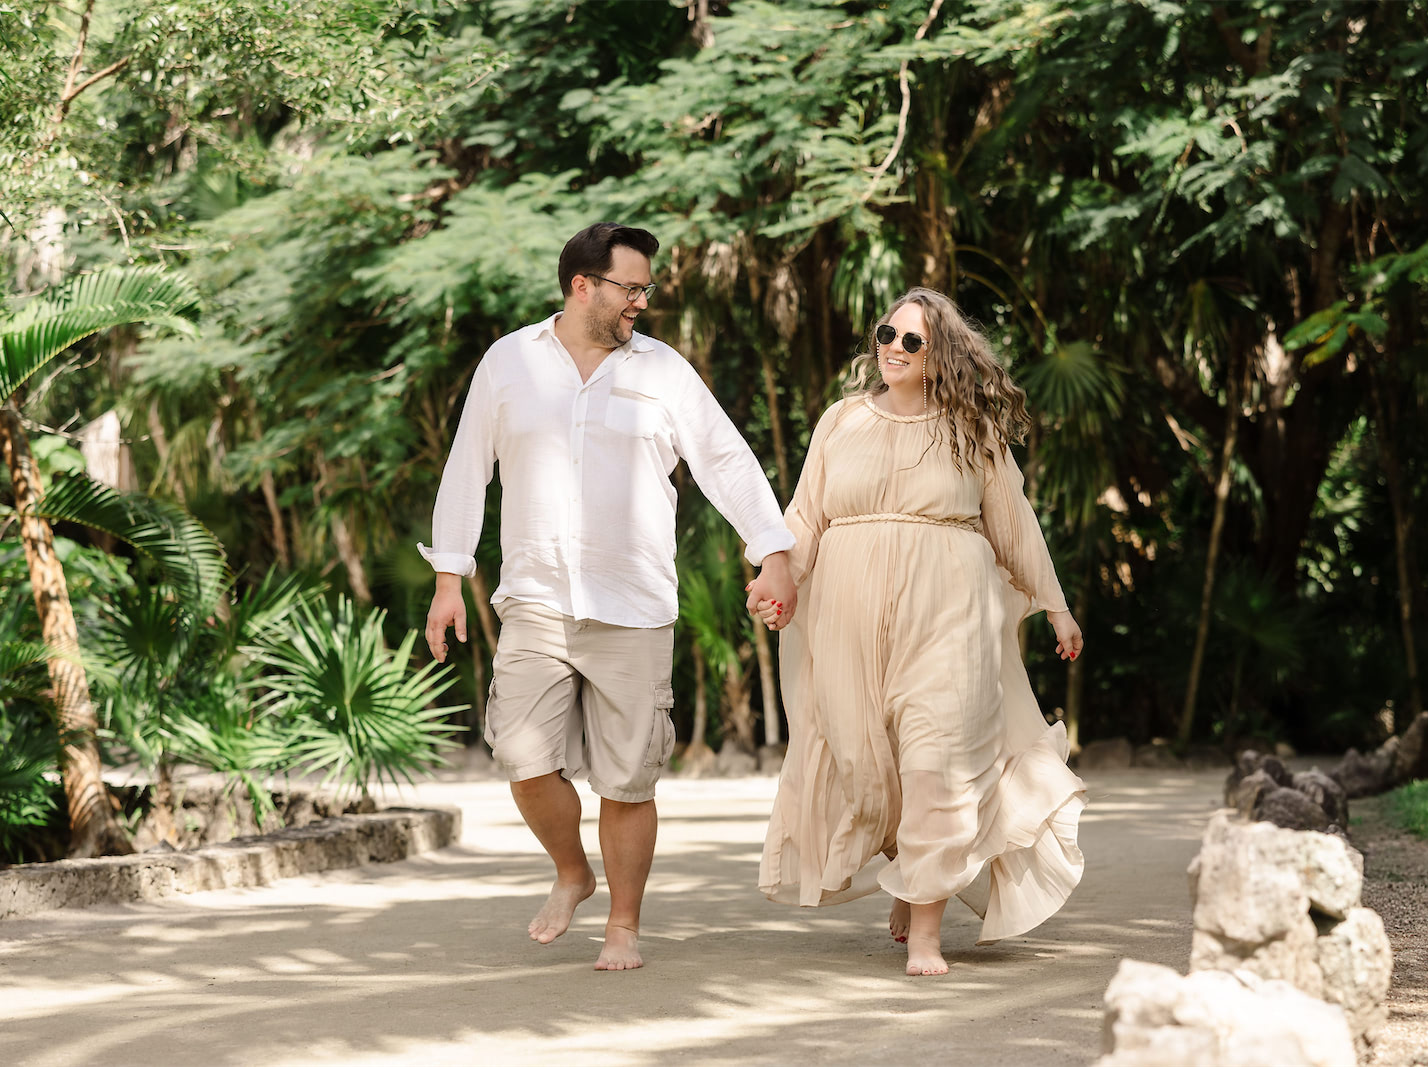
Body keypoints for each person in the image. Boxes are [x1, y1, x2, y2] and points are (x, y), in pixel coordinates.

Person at [421, 222, 797, 971]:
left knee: (627, 779)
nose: (642, 302)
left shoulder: (662, 371)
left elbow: (725, 459)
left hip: (634, 603)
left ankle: (623, 923)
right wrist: (448, 580)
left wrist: (774, 554)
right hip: (535, 596)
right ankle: (572, 871)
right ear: (581, 285)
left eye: (646, 289)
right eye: (631, 287)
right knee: (521, 756)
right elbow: (467, 468)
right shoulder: (509, 364)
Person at [752, 286, 1086, 976]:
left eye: (912, 341)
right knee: (869, 766)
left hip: (949, 612)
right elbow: (805, 516)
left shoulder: (971, 430)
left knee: (937, 762)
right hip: (847, 620)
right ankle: (908, 868)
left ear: (942, 356)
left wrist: (1056, 604)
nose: (893, 348)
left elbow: (1013, 523)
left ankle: (927, 928)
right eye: (886, 333)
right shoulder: (840, 421)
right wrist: (774, 572)